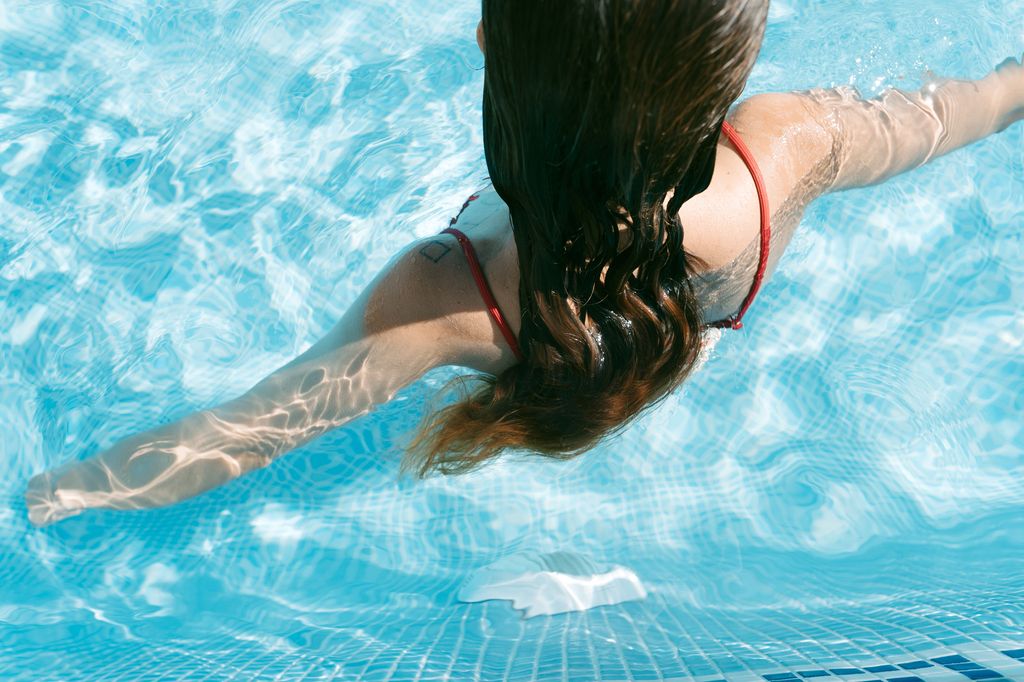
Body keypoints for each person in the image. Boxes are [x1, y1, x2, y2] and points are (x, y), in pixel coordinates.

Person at [25, 0, 1023, 527]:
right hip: (691, 333)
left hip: (540, 358)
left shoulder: (447, 286)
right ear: (729, 69)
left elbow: (246, 434)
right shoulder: (786, 146)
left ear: (487, 38)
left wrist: (59, 493)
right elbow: (950, 116)